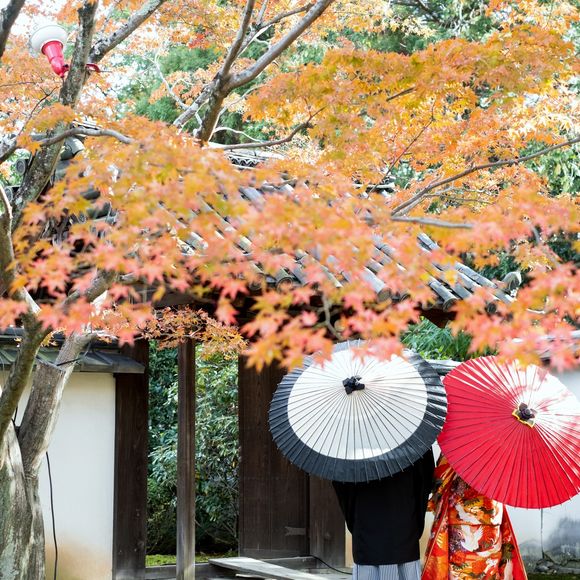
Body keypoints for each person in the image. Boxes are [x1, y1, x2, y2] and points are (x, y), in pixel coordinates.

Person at [332, 449, 435, 580]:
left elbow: (341, 483)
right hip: (403, 523)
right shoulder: (414, 441)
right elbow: (425, 481)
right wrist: (415, 522)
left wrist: (355, 521)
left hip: (366, 525)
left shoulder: (351, 444)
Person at [422, 456, 527, 579]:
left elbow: (441, 477)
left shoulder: (458, 448)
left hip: (461, 516)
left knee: (462, 567)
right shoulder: (501, 450)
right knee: (489, 567)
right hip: (492, 512)